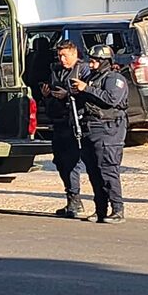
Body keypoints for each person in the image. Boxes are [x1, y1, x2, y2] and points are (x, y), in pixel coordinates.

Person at [70, 44, 128, 224]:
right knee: (94, 171)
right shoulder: (93, 78)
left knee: (108, 171)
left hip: (109, 130)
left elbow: (111, 99)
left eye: (95, 61)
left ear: (105, 62)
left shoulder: (114, 79)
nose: (92, 65)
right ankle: (100, 209)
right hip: (90, 129)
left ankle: (117, 209)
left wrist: (85, 88)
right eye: (91, 61)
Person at [40, 40, 90, 218]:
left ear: (74, 54)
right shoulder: (56, 71)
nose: (62, 59)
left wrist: (68, 94)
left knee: (71, 163)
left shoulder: (83, 70)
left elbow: (88, 94)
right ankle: (71, 199)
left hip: (74, 122)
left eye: (65, 55)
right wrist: (47, 95)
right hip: (58, 122)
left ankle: (75, 201)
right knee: (60, 162)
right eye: (60, 55)